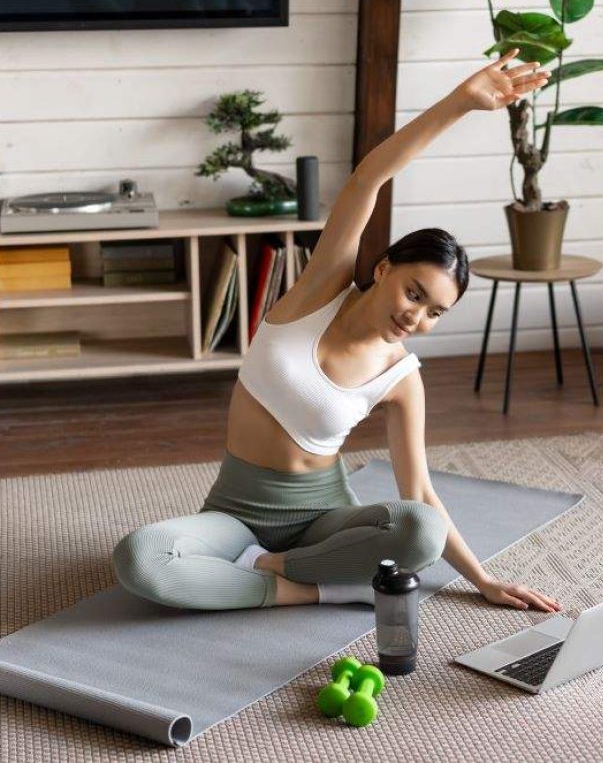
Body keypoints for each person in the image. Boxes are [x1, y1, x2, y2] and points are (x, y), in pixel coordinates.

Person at [112, 48, 561, 613]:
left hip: (324, 519)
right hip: (233, 514)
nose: (415, 317)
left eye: (434, 313)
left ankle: (275, 573)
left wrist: (485, 581)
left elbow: (418, 494)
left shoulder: (402, 376)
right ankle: (310, 589)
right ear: (382, 269)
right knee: (141, 557)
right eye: (414, 293)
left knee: (417, 530)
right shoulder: (321, 288)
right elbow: (369, 177)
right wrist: (461, 103)